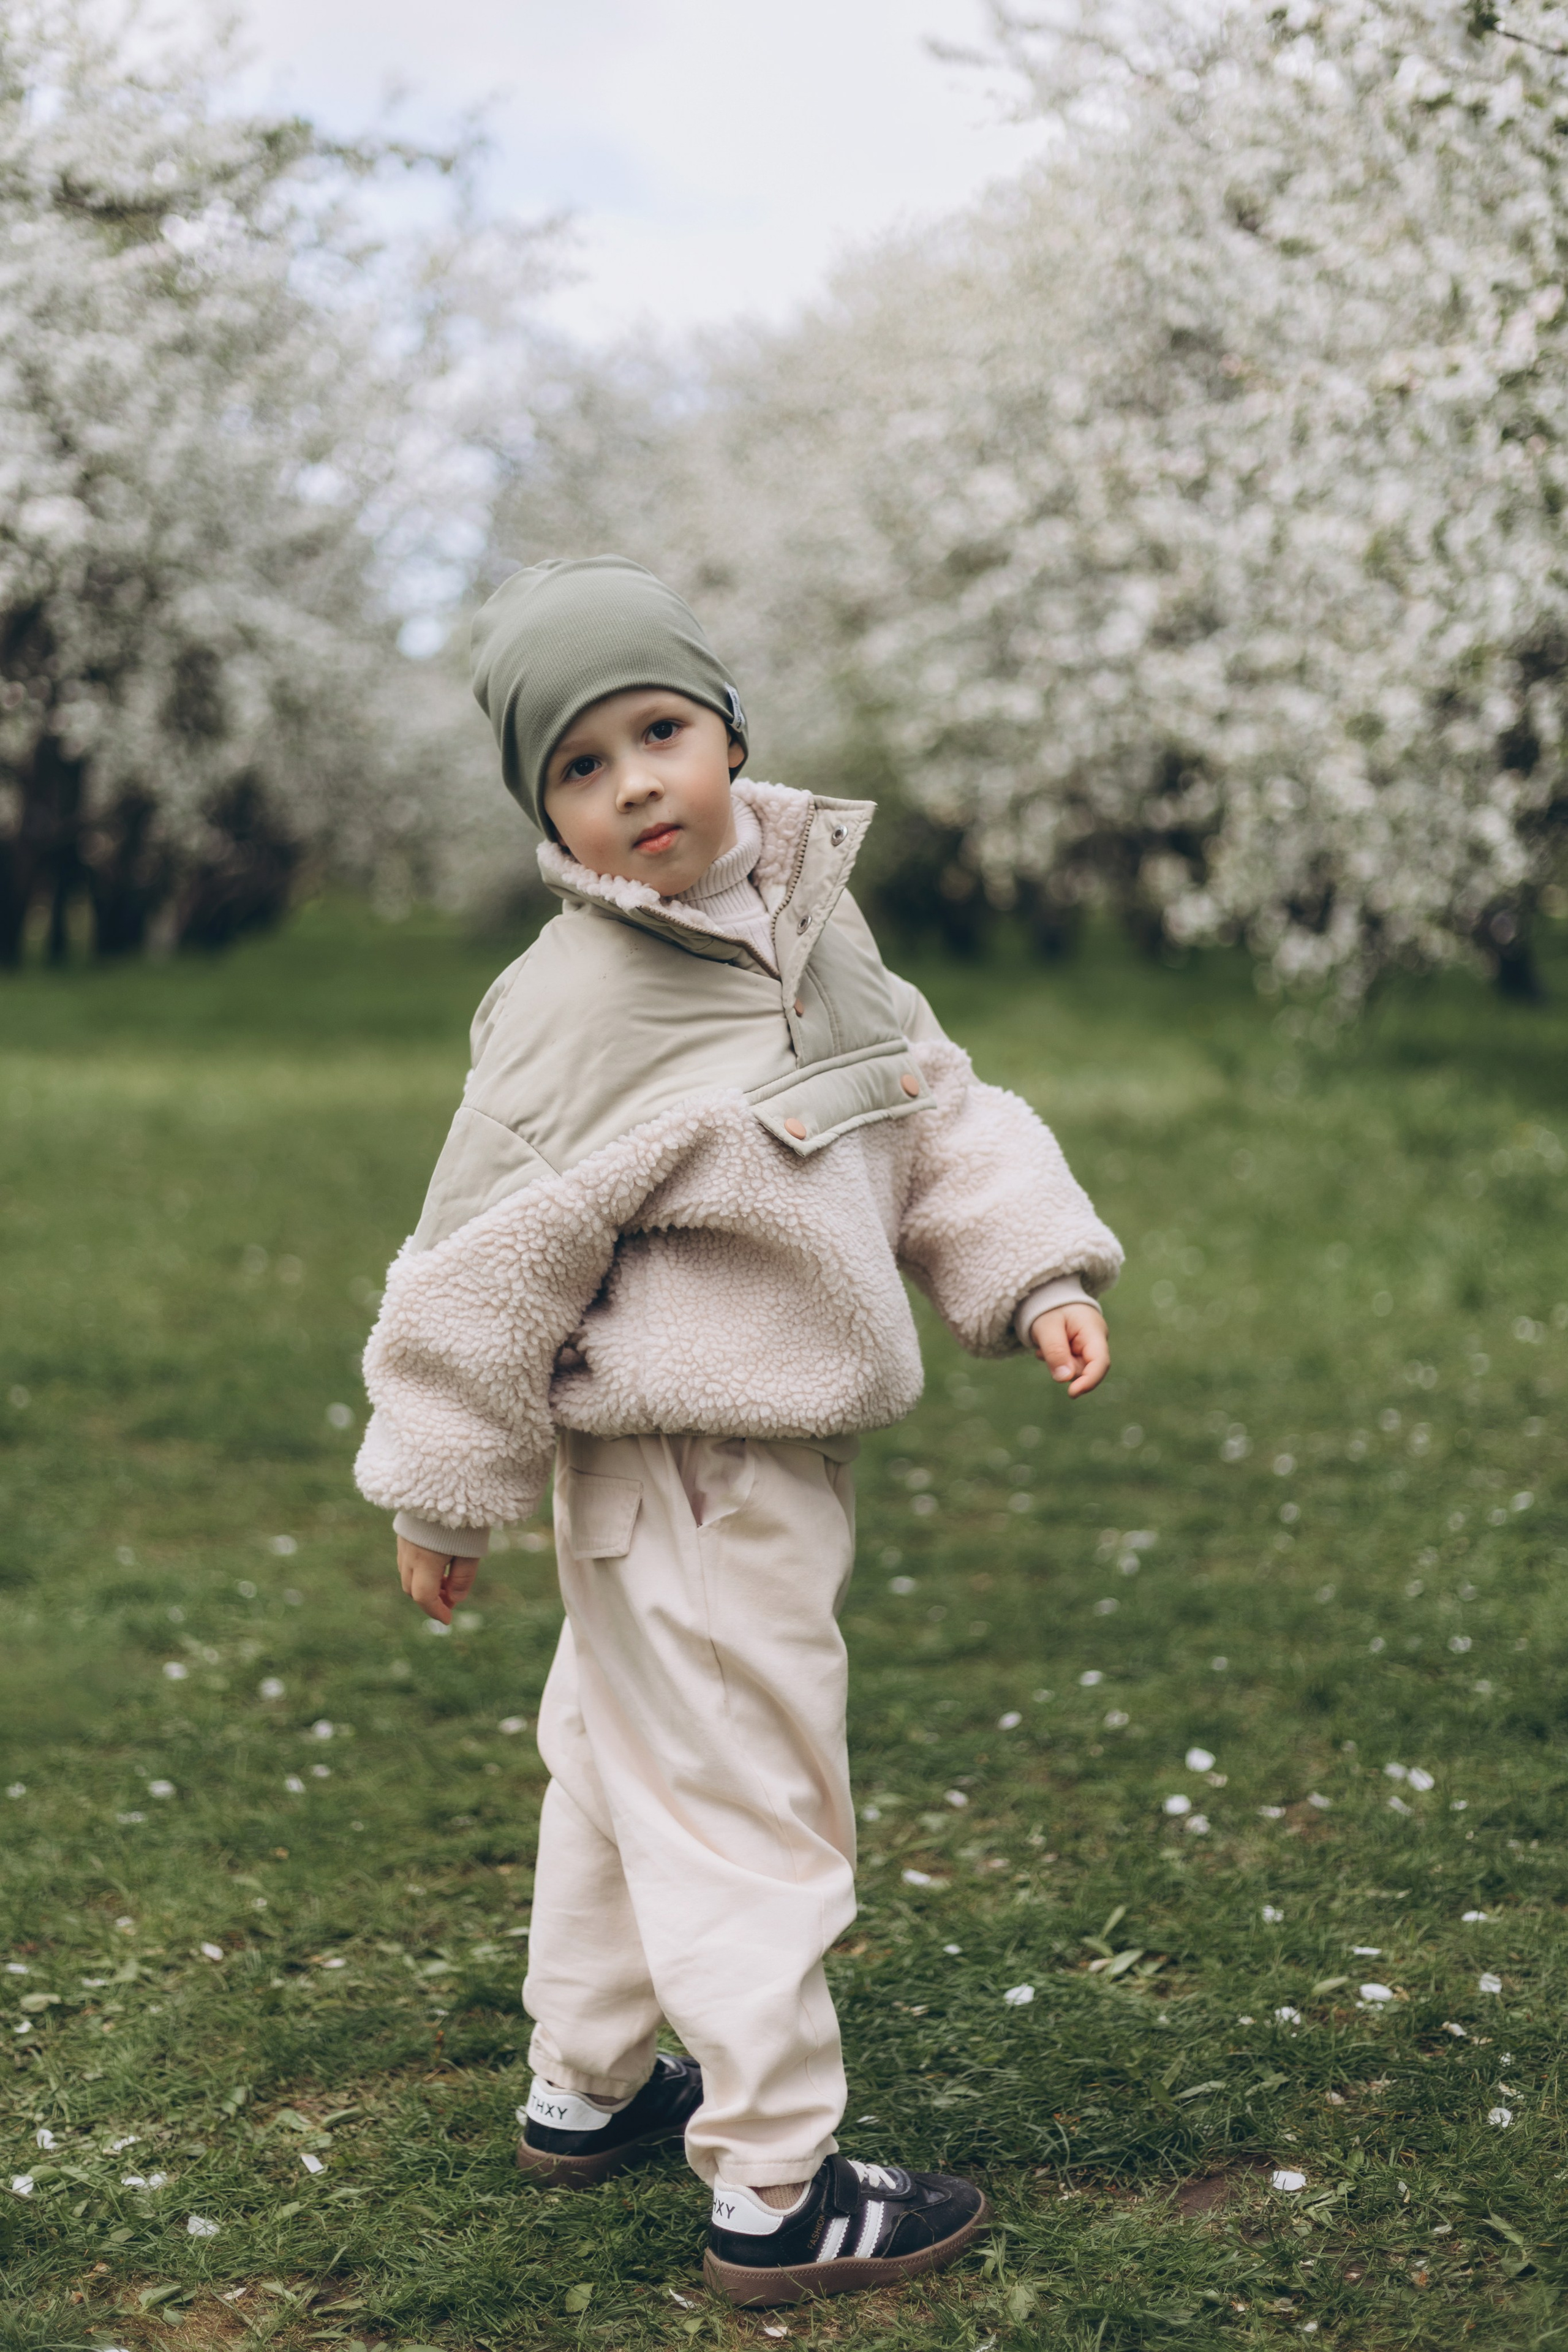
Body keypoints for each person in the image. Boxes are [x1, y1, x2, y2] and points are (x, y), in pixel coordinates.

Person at [356, 556, 1120, 2308]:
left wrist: (1030, 1269)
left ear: (727, 733)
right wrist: (442, 1484)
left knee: (628, 1771)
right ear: (545, 812)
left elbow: (938, 1107)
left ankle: (589, 2079)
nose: (634, 783)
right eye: (579, 766)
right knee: (749, 1802)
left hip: (749, 1468)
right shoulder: (581, 1007)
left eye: (661, 731)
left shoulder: (805, 923)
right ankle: (776, 2188)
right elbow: (478, 1261)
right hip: (693, 1469)